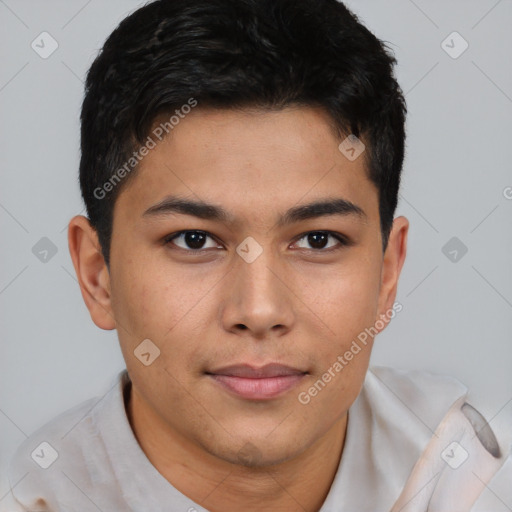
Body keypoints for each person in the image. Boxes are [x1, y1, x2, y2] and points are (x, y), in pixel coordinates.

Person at [4, 0, 511, 510]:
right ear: (98, 276)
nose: (259, 310)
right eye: (194, 240)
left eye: (318, 240)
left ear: (387, 273)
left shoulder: (473, 477)